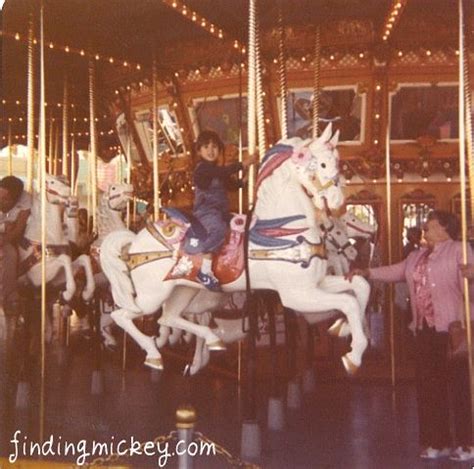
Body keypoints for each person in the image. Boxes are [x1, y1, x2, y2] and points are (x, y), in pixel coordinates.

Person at [346, 210, 474, 461]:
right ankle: (437, 441)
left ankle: (468, 442)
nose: (425, 231)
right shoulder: (416, 256)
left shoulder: (459, 249)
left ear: (444, 228)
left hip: (452, 328)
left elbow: (468, 283)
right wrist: (368, 273)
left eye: (429, 227)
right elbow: (396, 271)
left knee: (459, 387)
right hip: (425, 328)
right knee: (428, 387)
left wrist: (471, 276)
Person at [188, 130, 256, 291]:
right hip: (206, 212)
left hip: (221, 212)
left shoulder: (217, 170)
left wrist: (247, 178)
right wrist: (243, 164)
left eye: (214, 146)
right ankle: (203, 269)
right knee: (219, 229)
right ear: (199, 151)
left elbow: (233, 185)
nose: (211, 150)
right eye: (206, 147)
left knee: (241, 225)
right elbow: (223, 172)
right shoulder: (202, 169)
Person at [0, 176, 32, 314]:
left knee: (11, 254)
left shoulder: (25, 198)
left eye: (5, 199)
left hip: (12, 235)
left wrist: (4, 239)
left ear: (15, 199)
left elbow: (19, 228)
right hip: (4, 230)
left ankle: (8, 295)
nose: (1, 201)